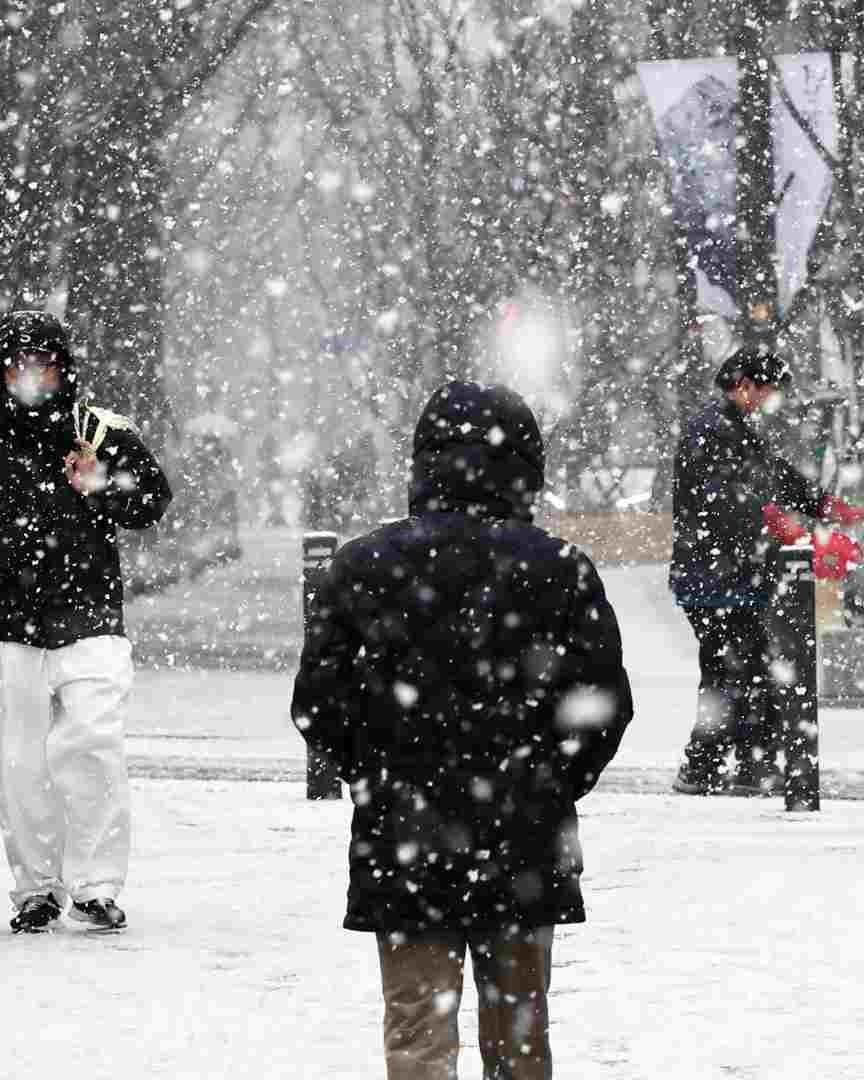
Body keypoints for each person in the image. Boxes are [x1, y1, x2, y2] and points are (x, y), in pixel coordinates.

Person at [292, 381, 632, 1079]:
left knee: (418, 1033)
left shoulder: (362, 566)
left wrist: (375, 774)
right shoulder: (560, 569)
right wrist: (549, 781)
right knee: (519, 1038)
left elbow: (318, 702)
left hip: (405, 836)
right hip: (524, 838)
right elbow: (603, 706)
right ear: (525, 469)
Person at [0, 310, 172, 932]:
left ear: (62, 367)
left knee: (93, 745)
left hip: (89, 614)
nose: (27, 376)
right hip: (9, 624)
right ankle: (36, 888)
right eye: (16, 364)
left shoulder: (96, 430)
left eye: (39, 363)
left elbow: (152, 498)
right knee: (19, 763)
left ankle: (96, 885)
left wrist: (101, 487)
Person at [669, 345, 863, 796]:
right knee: (736, 669)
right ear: (743, 386)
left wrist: (821, 506)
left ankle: (738, 764)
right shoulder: (710, 431)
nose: (770, 400)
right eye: (768, 390)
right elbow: (720, 504)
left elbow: (773, 477)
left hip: (733, 574)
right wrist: (776, 527)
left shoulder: (736, 428)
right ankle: (713, 765)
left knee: (743, 668)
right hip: (713, 578)